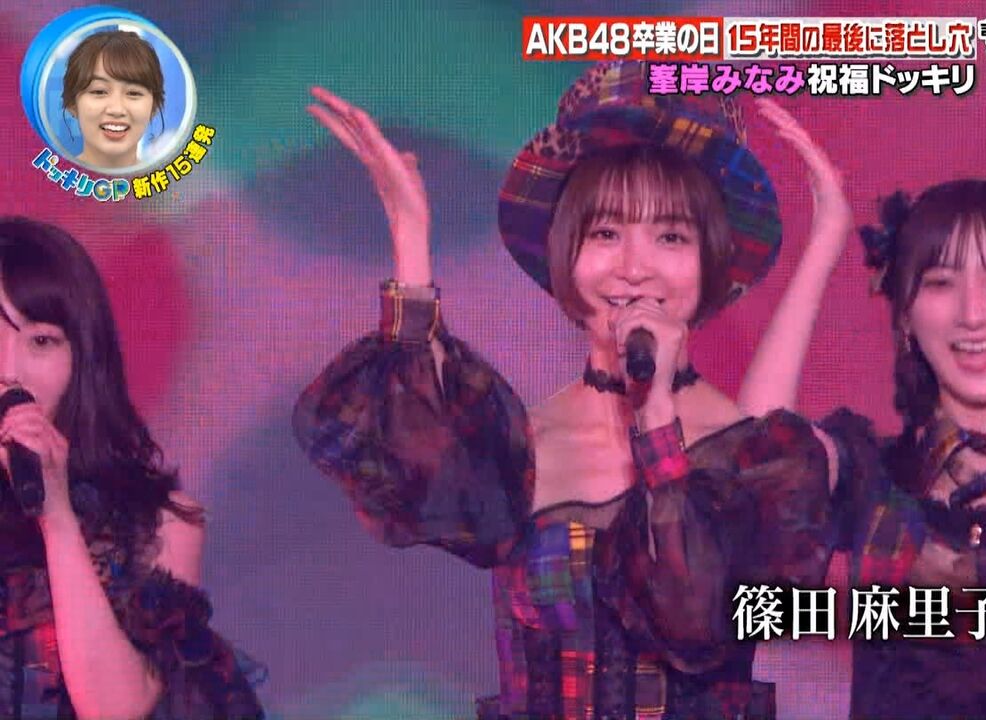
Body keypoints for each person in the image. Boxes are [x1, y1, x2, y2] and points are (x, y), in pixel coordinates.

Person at [293, 61, 844, 719]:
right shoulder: (520, 445)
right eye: (606, 233)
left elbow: (701, 619)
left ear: (711, 260)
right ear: (565, 253)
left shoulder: (764, 459)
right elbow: (412, 453)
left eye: (670, 236)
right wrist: (410, 237)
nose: (634, 268)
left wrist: (657, 418)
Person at [740, 101, 986, 718]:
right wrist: (826, 241)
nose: (972, 314)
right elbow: (757, 451)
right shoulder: (873, 474)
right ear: (906, 316)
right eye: (939, 283)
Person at [0, 217, 263, 719]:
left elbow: (115, 710)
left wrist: (56, 518)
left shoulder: (159, 525)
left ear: (82, 359)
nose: (10, 370)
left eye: (41, 341)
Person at [61, 30, 163, 170]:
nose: (117, 110)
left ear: (154, 107)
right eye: (99, 91)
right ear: (72, 104)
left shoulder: (171, 182)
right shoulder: (43, 180)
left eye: (133, 93)